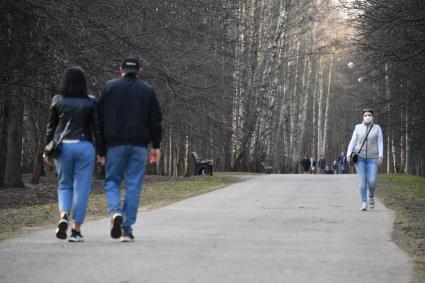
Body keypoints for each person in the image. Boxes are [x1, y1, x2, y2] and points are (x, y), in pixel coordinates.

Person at [98, 56, 162, 242]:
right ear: (139, 72)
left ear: (121, 70)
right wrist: (155, 146)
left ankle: (116, 212)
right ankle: (127, 229)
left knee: (112, 181)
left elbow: (99, 121)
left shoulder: (109, 88)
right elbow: (156, 121)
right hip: (139, 145)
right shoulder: (147, 90)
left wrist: (100, 149)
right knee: (133, 185)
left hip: (114, 145)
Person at [44, 66, 104, 242]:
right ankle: (76, 231)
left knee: (64, 185)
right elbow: (97, 130)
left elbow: (51, 128)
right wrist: (101, 152)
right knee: (81, 189)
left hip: (63, 148)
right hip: (84, 147)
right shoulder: (90, 102)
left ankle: (63, 216)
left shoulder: (57, 100)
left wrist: (46, 151)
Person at [347, 109, 384, 211]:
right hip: (360, 158)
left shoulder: (377, 128)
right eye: (365, 115)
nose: (367, 116)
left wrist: (380, 156)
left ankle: (371, 196)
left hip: (373, 158)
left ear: (372, 117)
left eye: (369, 115)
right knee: (363, 181)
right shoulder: (358, 127)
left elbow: (380, 142)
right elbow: (352, 142)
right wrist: (348, 155)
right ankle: (364, 202)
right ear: (362, 117)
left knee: (372, 181)